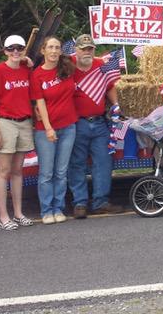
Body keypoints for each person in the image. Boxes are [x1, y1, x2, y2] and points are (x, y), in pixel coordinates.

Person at [0, 34, 35, 230]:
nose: (15, 52)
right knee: (3, 171)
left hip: (24, 122)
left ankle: (18, 213)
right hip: (5, 122)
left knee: (17, 171)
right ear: (5, 51)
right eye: (11, 49)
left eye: (19, 48)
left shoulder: (26, 70)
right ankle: (3, 216)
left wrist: (28, 62)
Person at [69, 34, 122, 219]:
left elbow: (110, 86)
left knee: (104, 161)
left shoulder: (100, 65)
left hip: (99, 122)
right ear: (76, 50)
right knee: (77, 164)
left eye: (90, 48)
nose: (87, 52)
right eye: (83, 48)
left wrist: (116, 105)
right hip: (77, 123)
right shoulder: (67, 66)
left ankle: (100, 201)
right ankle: (80, 203)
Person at [30, 36, 79, 224]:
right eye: (50, 47)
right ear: (43, 50)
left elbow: (87, 58)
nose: (53, 51)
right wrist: (49, 128)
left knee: (61, 171)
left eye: (57, 47)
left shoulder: (67, 68)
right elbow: (39, 102)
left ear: (61, 51)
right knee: (46, 173)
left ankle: (59, 208)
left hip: (69, 126)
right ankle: (46, 210)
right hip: (46, 130)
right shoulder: (37, 75)